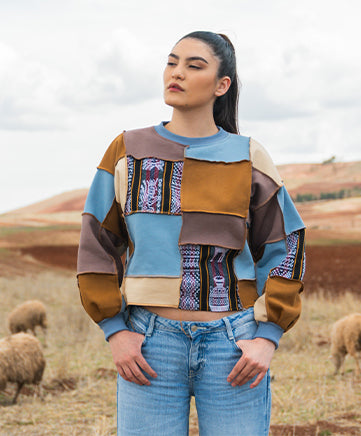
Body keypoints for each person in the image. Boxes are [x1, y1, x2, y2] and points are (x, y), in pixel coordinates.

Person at [77, 31, 306, 435]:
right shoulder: (127, 149)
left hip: (234, 347)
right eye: (172, 62)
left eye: (193, 65)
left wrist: (267, 336)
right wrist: (116, 332)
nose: (177, 72)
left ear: (222, 85)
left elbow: (286, 245)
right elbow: (97, 241)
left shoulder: (248, 156)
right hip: (148, 344)